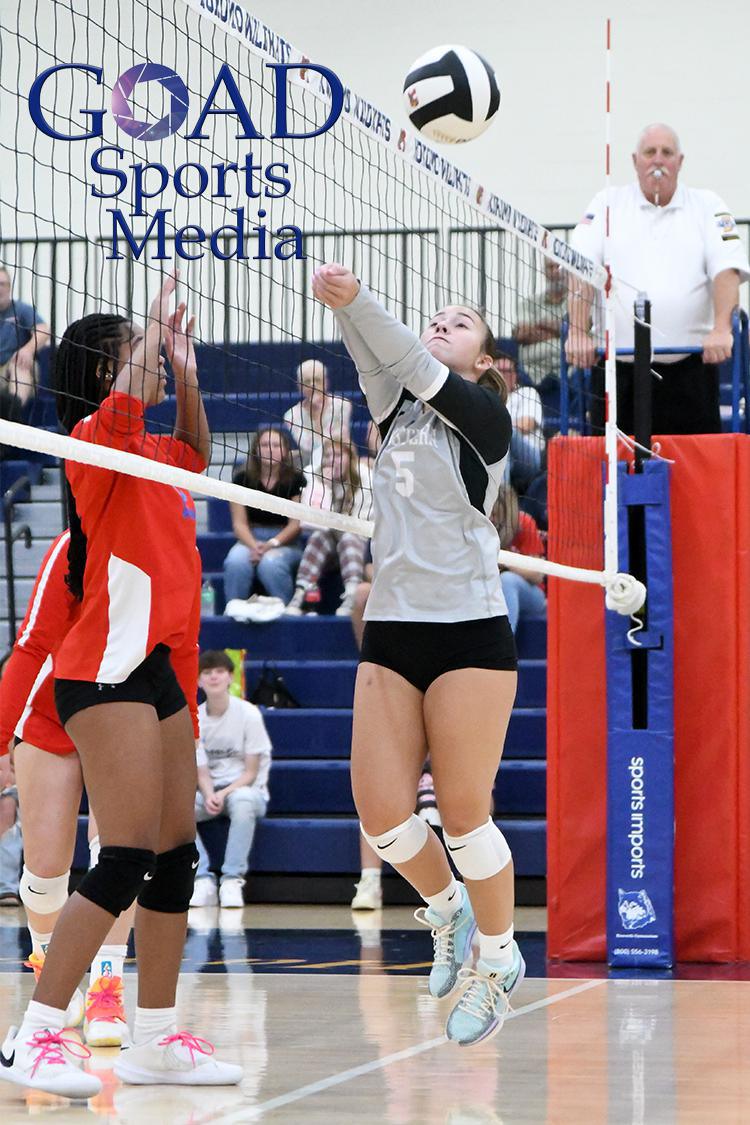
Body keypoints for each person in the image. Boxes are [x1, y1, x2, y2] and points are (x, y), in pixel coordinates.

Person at [0, 276, 241, 1098]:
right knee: (127, 853)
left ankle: (157, 1037)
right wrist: (151, 325)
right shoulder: (93, 446)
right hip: (103, 671)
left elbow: (201, 451)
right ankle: (33, 1034)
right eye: (132, 361)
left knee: (175, 859)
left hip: (160, 672)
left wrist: (188, 368)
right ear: (106, 376)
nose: (151, 371)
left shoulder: (159, 453)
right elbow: (133, 400)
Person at [313, 263, 524, 1048]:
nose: (442, 322)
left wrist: (360, 299)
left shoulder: (487, 421)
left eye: (459, 320)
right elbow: (380, 361)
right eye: (434, 315)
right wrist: (343, 308)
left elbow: (406, 360)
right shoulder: (396, 411)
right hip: (395, 628)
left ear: (486, 362)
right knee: (383, 814)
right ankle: (448, 910)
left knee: (465, 812)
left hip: (469, 629)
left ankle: (498, 959)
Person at [0, 528, 137, 1047]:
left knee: (118, 855)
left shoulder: (172, 539)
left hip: (124, 705)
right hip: (52, 708)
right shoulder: (73, 544)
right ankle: (48, 961)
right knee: (45, 869)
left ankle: (107, 988)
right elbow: (32, 643)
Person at [567, 122, 750, 435]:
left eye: (667, 153)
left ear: (680, 162)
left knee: (692, 473)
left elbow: (727, 268)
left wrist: (721, 329)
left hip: (689, 369)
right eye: (650, 152)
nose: (658, 160)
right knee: (613, 475)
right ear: (635, 160)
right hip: (616, 369)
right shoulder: (606, 203)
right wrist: (577, 331)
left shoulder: (707, 205)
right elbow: (581, 267)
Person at [190, 650, 272, 909]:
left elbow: (250, 772)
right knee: (174, 810)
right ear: (199, 681)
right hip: (210, 791)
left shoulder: (249, 714)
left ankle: (232, 880)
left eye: (219, 672)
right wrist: (210, 792)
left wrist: (222, 794)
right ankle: (201, 879)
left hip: (246, 789)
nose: (213, 677)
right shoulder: (197, 719)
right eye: (207, 672)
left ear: (230, 677)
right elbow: (200, 770)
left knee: (243, 801)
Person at [223, 426, 306, 616]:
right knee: (236, 561)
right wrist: (254, 546)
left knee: (270, 563)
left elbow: (295, 525)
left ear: (285, 450)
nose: (271, 449)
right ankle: (234, 612)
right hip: (250, 537)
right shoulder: (242, 478)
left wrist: (269, 545)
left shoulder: (296, 479)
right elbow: (239, 524)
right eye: (265, 445)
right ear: (256, 450)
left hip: (285, 540)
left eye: (276, 445)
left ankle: (286, 613)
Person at [286, 438, 370, 617]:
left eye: (338, 455)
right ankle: (301, 591)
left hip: (357, 544)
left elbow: (360, 526)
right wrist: (326, 490)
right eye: (328, 455)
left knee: (348, 536)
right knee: (318, 536)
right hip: (328, 541)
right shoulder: (315, 479)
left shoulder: (364, 479)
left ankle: (351, 594)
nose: (332, 460)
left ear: (350, 458)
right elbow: (313, 523)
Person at [282, 358, 352, 473]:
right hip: (309, 467)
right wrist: (316, 414)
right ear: (300, 386)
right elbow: (309, 447)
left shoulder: (342, 405)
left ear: (325, 382)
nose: (312, 384)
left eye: (317, 380)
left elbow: (336, 441)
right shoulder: (291, 416)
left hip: (341, 464)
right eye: (307, 381)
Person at [494, 486, 547, 634]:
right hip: (490, 592)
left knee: (508, 581)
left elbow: (537, 576)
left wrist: (505, 561)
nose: (492, 519)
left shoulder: (524, 522)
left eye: (496, 514)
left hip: (531, 595)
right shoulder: (481, 525)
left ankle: (505, 644)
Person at [0, 266, 51, 407]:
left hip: (13, 366)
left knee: (20, 364)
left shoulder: (21, 310)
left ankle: (14, 412)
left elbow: (44, 330)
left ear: (9, 287)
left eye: (2, 284)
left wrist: (27, 350)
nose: (0, 288)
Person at [514, 257, 567, 387]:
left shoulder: (579, 303)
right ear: (544, 271)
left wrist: (540, 325)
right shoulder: (528, 304)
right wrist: (560, 331)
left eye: (558, 267)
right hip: (531, 374)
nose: (555, 272)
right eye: (550, 267)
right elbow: (523, 335)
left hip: (567, 373)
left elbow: (579, 330)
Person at [495, 354, 544, 493]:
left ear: (516, 375)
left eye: (508, 371)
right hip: (502, 453)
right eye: (499, 371)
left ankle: (501, 499)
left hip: (529, 457)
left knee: (505, 433)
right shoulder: (488, 396)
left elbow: (526, 425)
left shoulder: (527, 392)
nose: (504, 375)